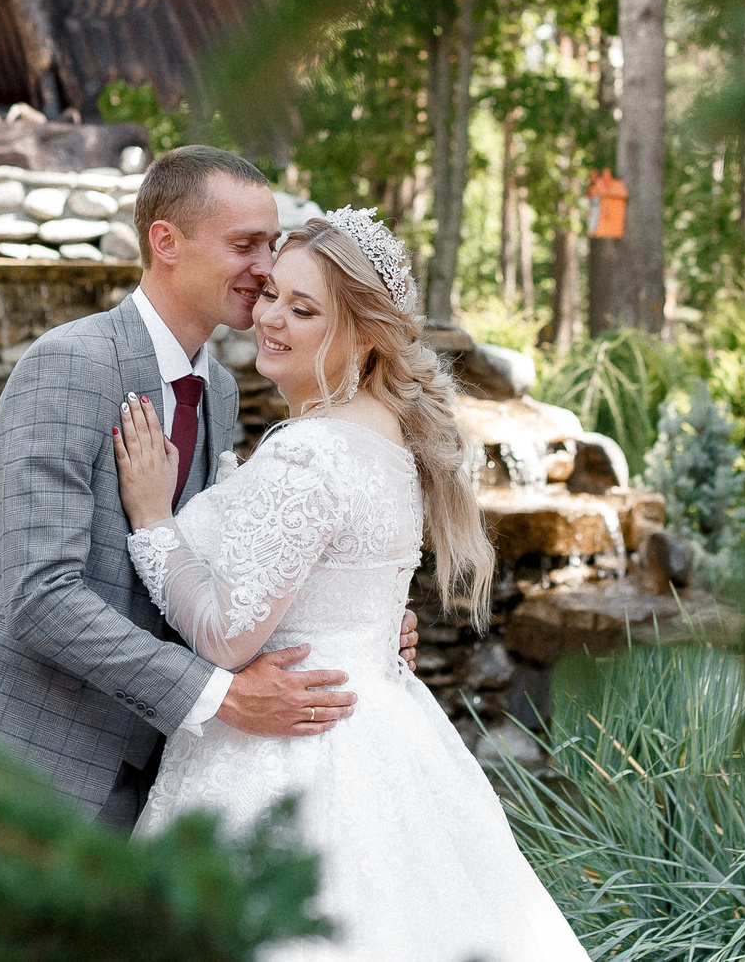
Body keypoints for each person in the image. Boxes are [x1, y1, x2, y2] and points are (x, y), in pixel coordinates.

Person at [112, 207, 591, 961]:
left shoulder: (311, 453)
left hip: (287, 752)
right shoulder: (385, 435)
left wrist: (151, 517)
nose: (270, 316)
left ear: (366, 334)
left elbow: (226, 634)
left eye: (304, 309)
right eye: (272, 292)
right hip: (384, 733)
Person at [0, 145, 416, 825]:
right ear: (167, 241)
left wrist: (347, 622)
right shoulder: (71, 364)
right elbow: (39, 593)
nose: (266, 267)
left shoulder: (218, 389)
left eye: (270, 245)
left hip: (158, 769)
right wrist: (219, 695)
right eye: (245, 244)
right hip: (31, 767)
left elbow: (212, 569)